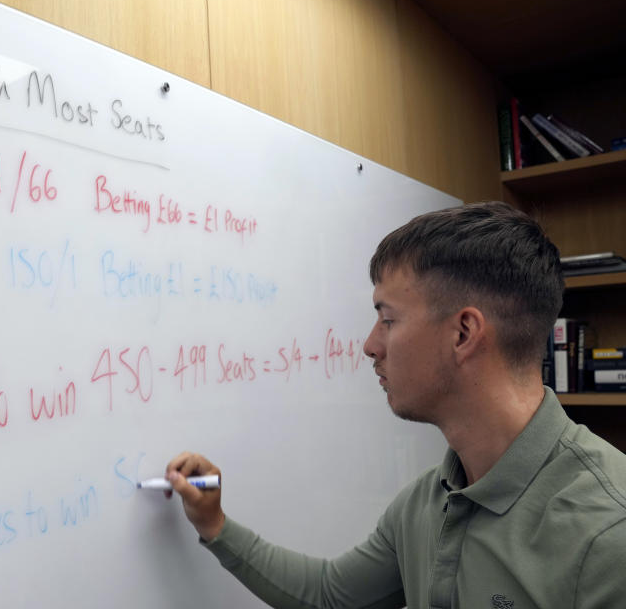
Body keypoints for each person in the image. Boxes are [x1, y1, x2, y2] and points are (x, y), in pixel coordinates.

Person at [165, 201, 626, 608]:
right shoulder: (429, 501)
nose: (369, 345)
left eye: (388, 320)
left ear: (463, 333)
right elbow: (331, 595)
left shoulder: (607, 532)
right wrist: (215, 523)